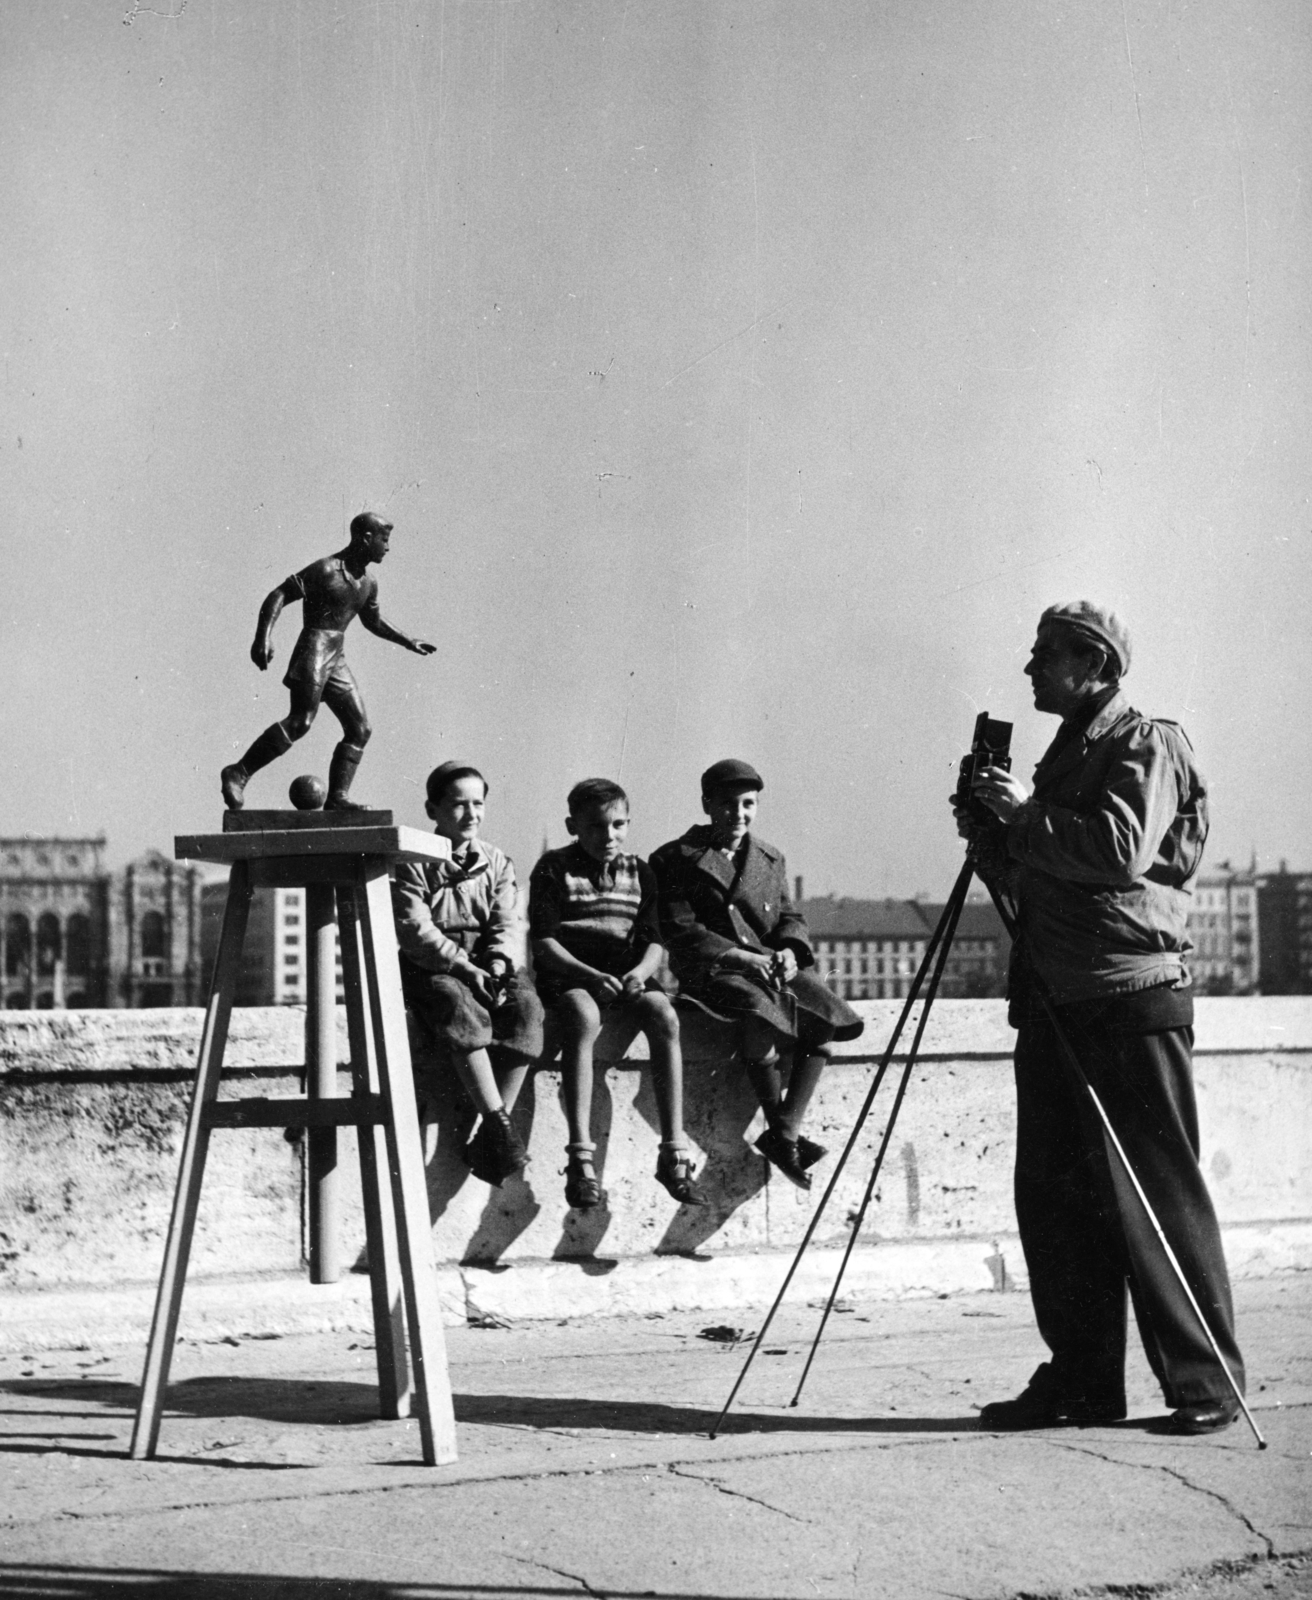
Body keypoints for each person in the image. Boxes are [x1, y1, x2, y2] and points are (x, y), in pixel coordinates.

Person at [957, 600, 1245, 1436]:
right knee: (1054, 1201)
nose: (1029, 668)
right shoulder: (1063, 755)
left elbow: (1118, 851)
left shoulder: (1148, 742)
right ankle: (1084, 1381)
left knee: (1155, 1194)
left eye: (1045, 654)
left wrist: (1020, 814)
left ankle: (1205, 1382)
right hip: (1054, 995)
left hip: (1128, 997)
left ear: (1096, 665)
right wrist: (991, 835)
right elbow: (1040, 878)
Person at [650, 760, 863, 1190]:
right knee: (757, 1011)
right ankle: (781, 1133)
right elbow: (680, 928)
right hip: (713, 971)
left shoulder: (769, 857)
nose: (739, 814)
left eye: (749, 805)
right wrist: (740, 958)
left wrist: (789, 949)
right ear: (707, 804)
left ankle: (784, 1132)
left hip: (771, 966)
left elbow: (790, 915)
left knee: (825, 1016)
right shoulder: (674, 857)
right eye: (728, 804)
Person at [529, 778, 707, 1212]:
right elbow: (545, 943)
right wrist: (589, 975)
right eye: (595, 827)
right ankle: (580, 1160)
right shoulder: (553, 869)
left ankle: (673, 1150)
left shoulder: (638, 871)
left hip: (625, 975)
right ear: (574, 826)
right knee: (583, 1018)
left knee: (664, 1015)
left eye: (618, 825)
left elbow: (654, 939)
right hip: (571, 975)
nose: (608, 836)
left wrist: (641, 972)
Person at [392, 762, 544, 1186]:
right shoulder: (413, 860)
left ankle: (494, 1132)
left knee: (526, 1009)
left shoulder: (496, 861)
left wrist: (496, 961)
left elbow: (508, 922)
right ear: (433, 809)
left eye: (478, 803)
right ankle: (498, 1126)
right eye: (458, 805)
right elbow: (415, 928)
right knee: (458, 1007)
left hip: (485, 957)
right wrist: (462, 965)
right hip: (436, 962)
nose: (471, 814)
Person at [221, 512, 436, 811]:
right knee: (301, 721)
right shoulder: (326, 570)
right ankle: (238, 772)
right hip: (314, 648)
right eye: (384, 540)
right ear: (366, 538)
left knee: (360, 729)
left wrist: (407, 640)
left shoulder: (368, 583)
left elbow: (372, 621)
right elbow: (280, 594)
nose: (388, 548)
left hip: (336, 654)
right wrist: (263, 637)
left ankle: (337, 798)